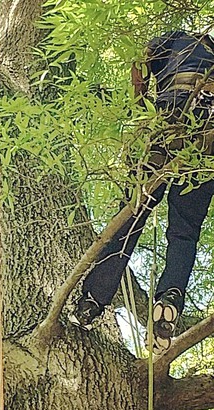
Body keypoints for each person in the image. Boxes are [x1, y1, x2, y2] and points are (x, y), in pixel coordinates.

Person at [70, 30, 214, 353]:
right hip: (208, 142)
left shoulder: (177, 38)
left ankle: (93, 298)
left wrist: (141, 101)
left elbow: (140, 62)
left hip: (169, 118)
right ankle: (170, 296)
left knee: (133, 212)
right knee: (185, 232)